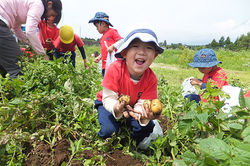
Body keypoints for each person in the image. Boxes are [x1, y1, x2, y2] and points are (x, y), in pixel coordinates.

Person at [94, 28, 164, 146]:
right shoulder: (114, 69)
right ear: (124, 52)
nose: (142, 52)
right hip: (108, 103)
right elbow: (109, 98)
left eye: (149, 48)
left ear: (155, 55)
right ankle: (113, 130)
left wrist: (144, 116)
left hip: (132, 106)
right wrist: (117, 107)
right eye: (136, 46)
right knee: (108, 131)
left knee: (147, 127)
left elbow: (141, 104)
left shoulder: (151, 78)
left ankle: (131, 142)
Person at [0, 0, 62, 78]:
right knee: (18, 68)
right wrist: (42, 54)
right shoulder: (39, 5)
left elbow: (16, 28)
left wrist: (31, 46)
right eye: (52, 14)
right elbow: (30, 31)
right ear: (49, 4)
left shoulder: (23, 7)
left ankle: (6, 88)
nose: (49, 17)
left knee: (4, 68)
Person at [89, 12, 123, 76]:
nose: (96, 29)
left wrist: (113, 46)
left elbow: (121, 41)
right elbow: (105, 51)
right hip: (105, 66)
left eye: (97, 26)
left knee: (114, 83)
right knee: (105, 84)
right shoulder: (102, 38)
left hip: (113, 64)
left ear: (103, 23)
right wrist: (99, 57)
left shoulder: (112, 31)